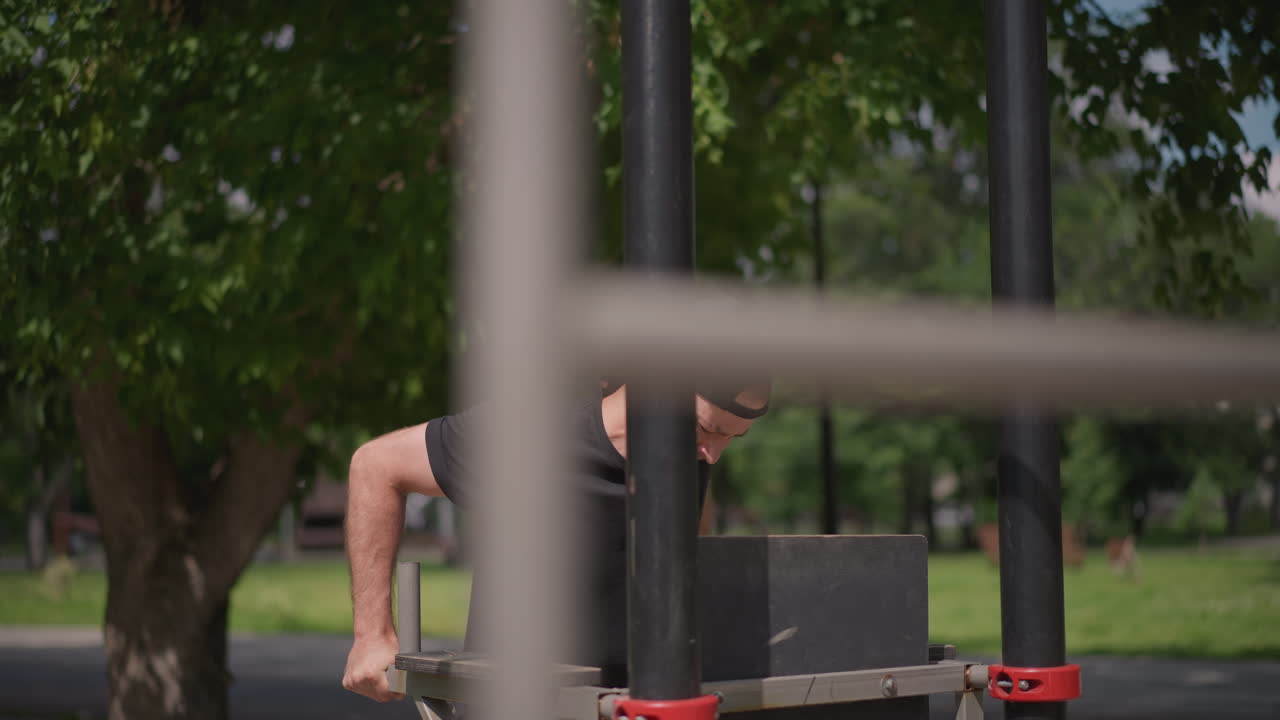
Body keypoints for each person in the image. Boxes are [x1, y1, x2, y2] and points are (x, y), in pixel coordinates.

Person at [341, 380, 770, 702]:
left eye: (733, 437)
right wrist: (372, 636)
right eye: (706, 428)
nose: (714, 454)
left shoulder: (689, 456)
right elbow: (376, 466)